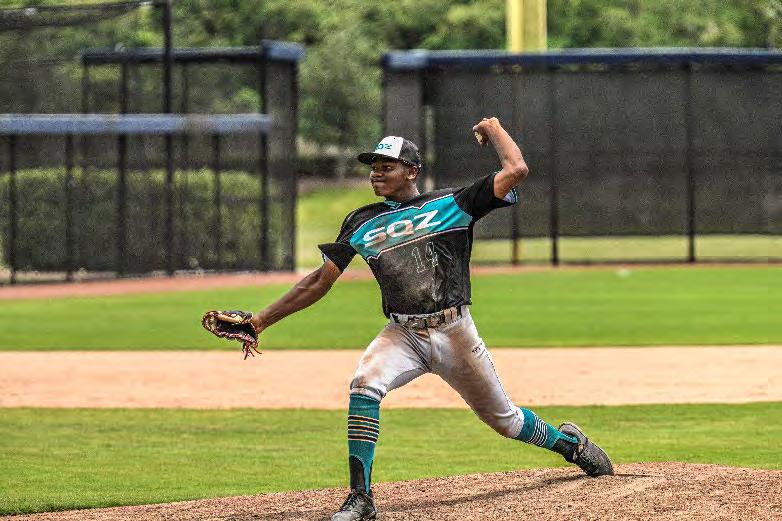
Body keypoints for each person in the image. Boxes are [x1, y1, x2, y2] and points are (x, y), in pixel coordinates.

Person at [249, 117, 613, 521]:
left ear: (412, 171)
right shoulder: (361, 222)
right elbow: (319, 281)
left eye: (386, 166)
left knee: (505, 421)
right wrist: (260, 320)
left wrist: (493, 128)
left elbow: (516, 170)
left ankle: (571, 446)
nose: (376, 173)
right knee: (364, 384)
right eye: (373, 167)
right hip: (403, 333)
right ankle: (360, 498)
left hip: (454, 331)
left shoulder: (453, 203)